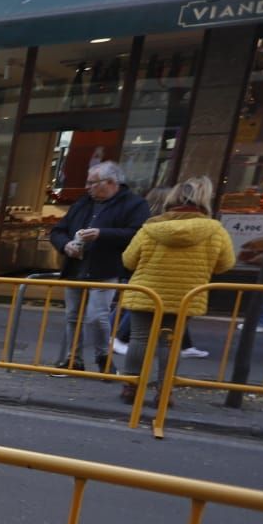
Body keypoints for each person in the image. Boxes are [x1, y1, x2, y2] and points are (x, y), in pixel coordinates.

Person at [115, 177, 234, 402]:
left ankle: (131, 386)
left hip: (146, 290)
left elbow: (128, 260)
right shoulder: (215, 230)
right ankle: (164, 391)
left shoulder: (151, 228)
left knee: (140, 338)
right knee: (170, 342)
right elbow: (225, 264)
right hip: (187, 294)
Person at [48, 161, 150, 373]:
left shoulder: (134, 204)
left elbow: (138, 234)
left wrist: (102, 234)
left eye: (92, 183)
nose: (88, 187)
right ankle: (72, 358)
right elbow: (58, 230)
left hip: (106, 268)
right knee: (73, 316)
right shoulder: (83, 203)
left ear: (111, 183)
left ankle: (103, 356)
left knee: (97, 316)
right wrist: (65, 245)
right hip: (76, 267)